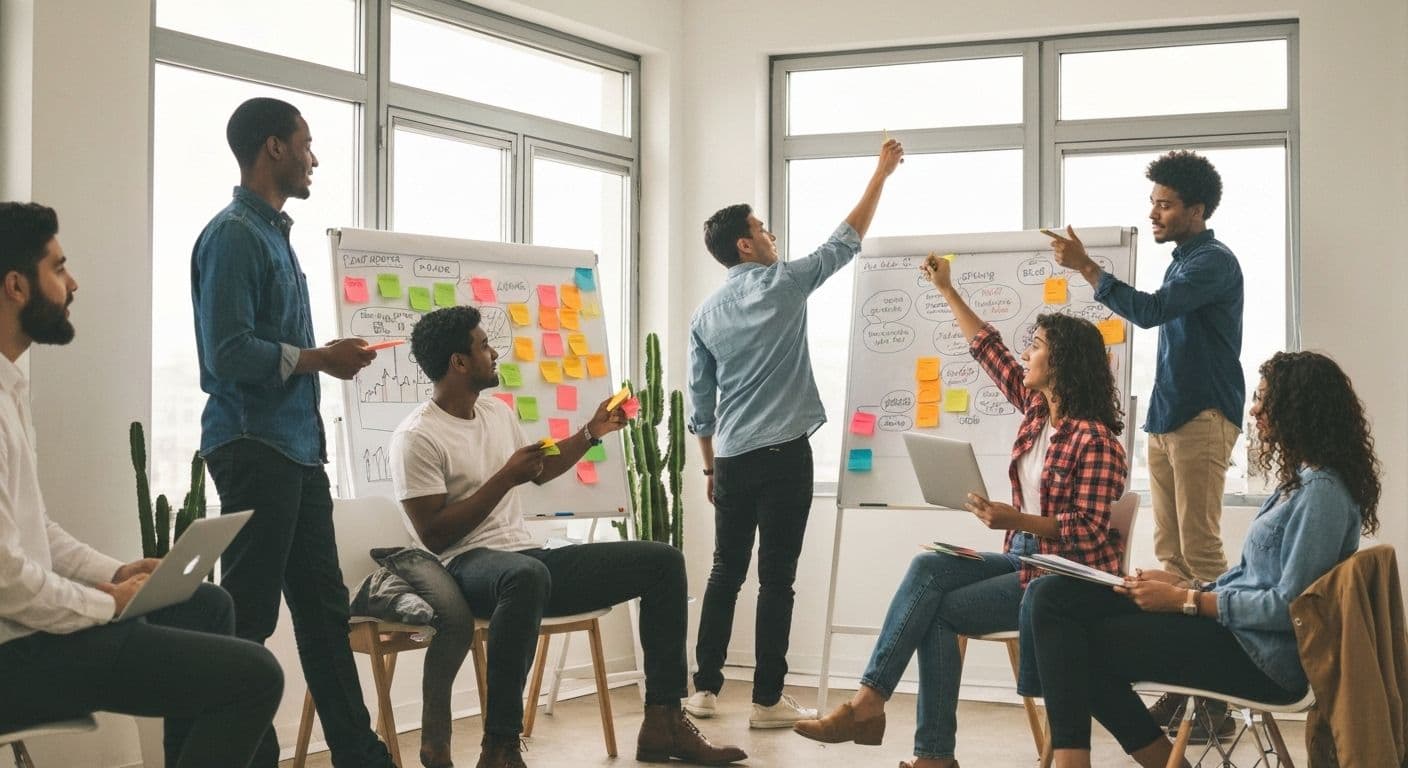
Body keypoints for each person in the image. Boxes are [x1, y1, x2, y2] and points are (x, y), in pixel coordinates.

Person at [793, 253, 1128, 768]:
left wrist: (1014, 520)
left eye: (1037, 346)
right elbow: (988, 349)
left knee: (939, 611)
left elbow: (1087, 533)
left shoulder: (1096, 439)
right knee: (928, 566)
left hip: (1062, 579)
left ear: (1061, 363)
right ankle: (870, 705)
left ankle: (921, 748)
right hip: (1022, 557)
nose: (1026, 354)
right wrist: (947, 289)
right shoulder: (1038, 412)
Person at [389, 305, 747, 768]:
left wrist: (591, 432)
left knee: (662, 562)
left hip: (525, 561)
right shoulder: (417, 436)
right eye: (484, 346)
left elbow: (540, 468)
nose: (494, 353)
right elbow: (435, 536)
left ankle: (664, 722)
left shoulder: (496, 412)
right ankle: (500, 746)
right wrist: (505, 478)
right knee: (525, 575)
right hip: (464, 566)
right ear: (459, 362)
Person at [0, 202, 283, 768]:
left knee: (205, 604)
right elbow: (6, 578)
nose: (73, 283)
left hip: (26, 638)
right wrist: (104, 603)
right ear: (16, 286)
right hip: (15, 656)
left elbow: (36, 530)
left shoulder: (11, 388)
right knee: (256, 677)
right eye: (59, 267)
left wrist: (115, 574)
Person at [1026, 350, 1380, 768]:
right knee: (1050, 593)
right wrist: (1186, 586)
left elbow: (1290, 608)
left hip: (1262, 657)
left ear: (1302, 408)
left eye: (1265, 399)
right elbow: (1252, 578)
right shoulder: (1301, 482)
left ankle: (1084, 760)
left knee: (1079, 647)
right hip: (1237, 634)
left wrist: (1187, 602)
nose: (1255, 410)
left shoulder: (1322, 494)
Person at [191, 97, 392, 767]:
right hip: (255, 447)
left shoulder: (273, 235)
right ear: (273, 147)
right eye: (305, 144)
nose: (314, 158)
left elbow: (269, 349)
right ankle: (247, 758)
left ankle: (359, 755)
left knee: (324, 610)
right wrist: (319, 359)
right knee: (249, 616)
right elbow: (228, 352)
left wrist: (322, 358)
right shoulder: (234, 236)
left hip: (298, 452)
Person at [685, 139, 904, 728]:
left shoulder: (704, 314)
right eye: (762, 229)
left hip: (731, 458)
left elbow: (700, 403)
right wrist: (879, 175)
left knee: (724, 572)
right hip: (784, 455)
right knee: (776, 578)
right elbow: (845, 241)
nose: (771, 236)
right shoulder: (783, 282)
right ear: (744, 244)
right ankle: (765, 702)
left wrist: (710, 466)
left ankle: (704, 691)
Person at [1046, 151, 1242, 590]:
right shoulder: (1183, 261)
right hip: (1168, 417)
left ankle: (1228, 632)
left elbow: (1150, 311)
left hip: (1202, 415)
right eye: (1153, 202)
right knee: (1170, 552)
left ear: (1197, 211)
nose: (1153, 213)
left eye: (1165, 205)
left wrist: (1086, 267)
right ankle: (1177, 635)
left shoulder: (1212, 261)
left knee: (1200, 550)